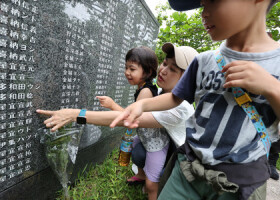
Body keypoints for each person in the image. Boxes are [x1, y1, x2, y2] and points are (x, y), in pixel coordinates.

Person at [110, 0, 280, 199]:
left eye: (213, 1)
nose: (204, 13)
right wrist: (142, 104)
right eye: (202, 4)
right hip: (189, 170)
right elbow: (175, 98)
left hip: (242, 183)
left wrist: (272, 88)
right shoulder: (204, 61)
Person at [37, 43, 197, 200]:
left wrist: (75, 114)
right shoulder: (162, 92)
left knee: (154, 184)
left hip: (183, 160)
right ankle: (145, 175)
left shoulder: (180, 107)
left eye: (173, 69)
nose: (162, 70)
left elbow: (128, 119)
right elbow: (134, 113)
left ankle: (161, 182)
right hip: (160, 144)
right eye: (164, 63)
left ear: (187, 79)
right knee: (138, 150)